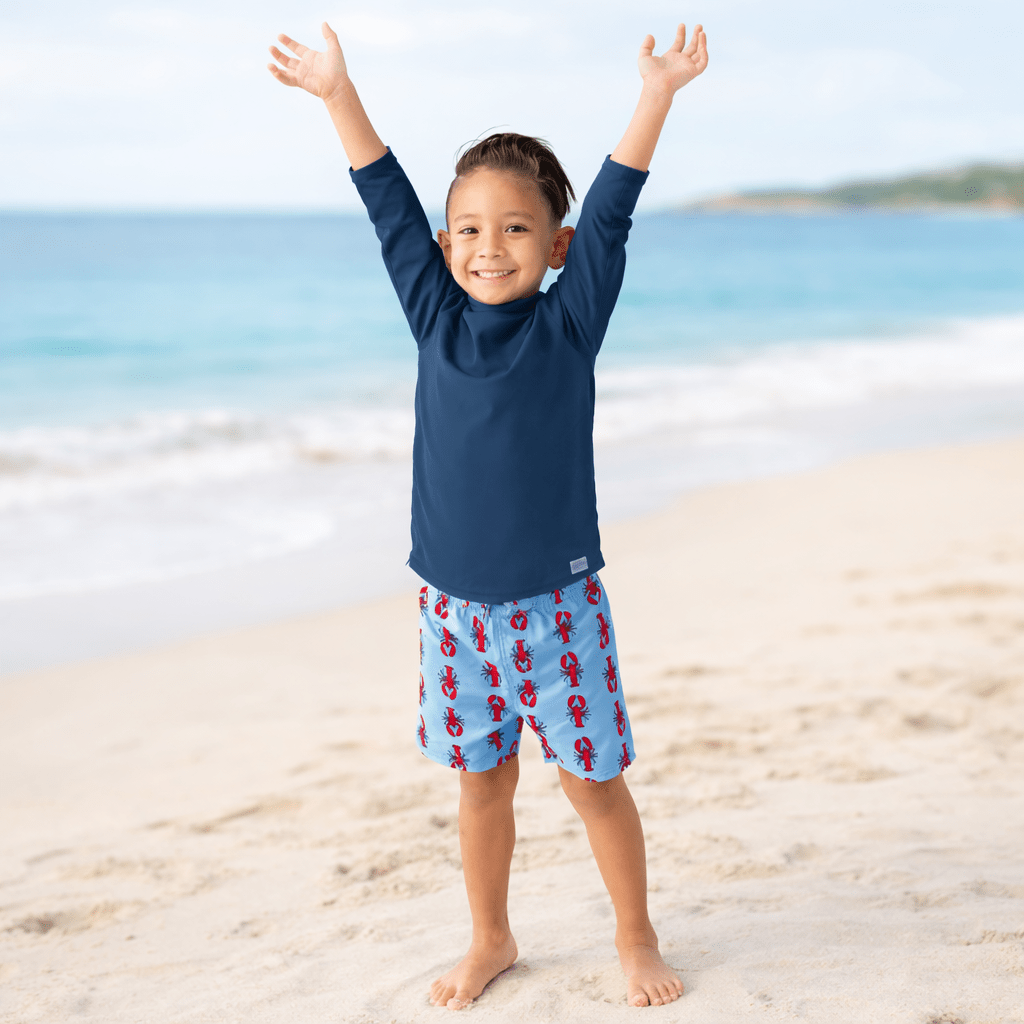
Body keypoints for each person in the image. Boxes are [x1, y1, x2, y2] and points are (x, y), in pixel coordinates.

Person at [267, 19, 708, 1010]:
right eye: (467, 227)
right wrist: (338, 94)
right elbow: (384, 200)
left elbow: (610, 217)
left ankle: (634, 937)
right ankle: (492, 936)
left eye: (514, 228)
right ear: (443, 243)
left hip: (559, 612)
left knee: (591, 783)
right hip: (451, 616)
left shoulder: (567, 321)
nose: (487, 245)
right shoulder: (431, 312)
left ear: (551, 247)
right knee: (480, 786)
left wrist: (655, 96)